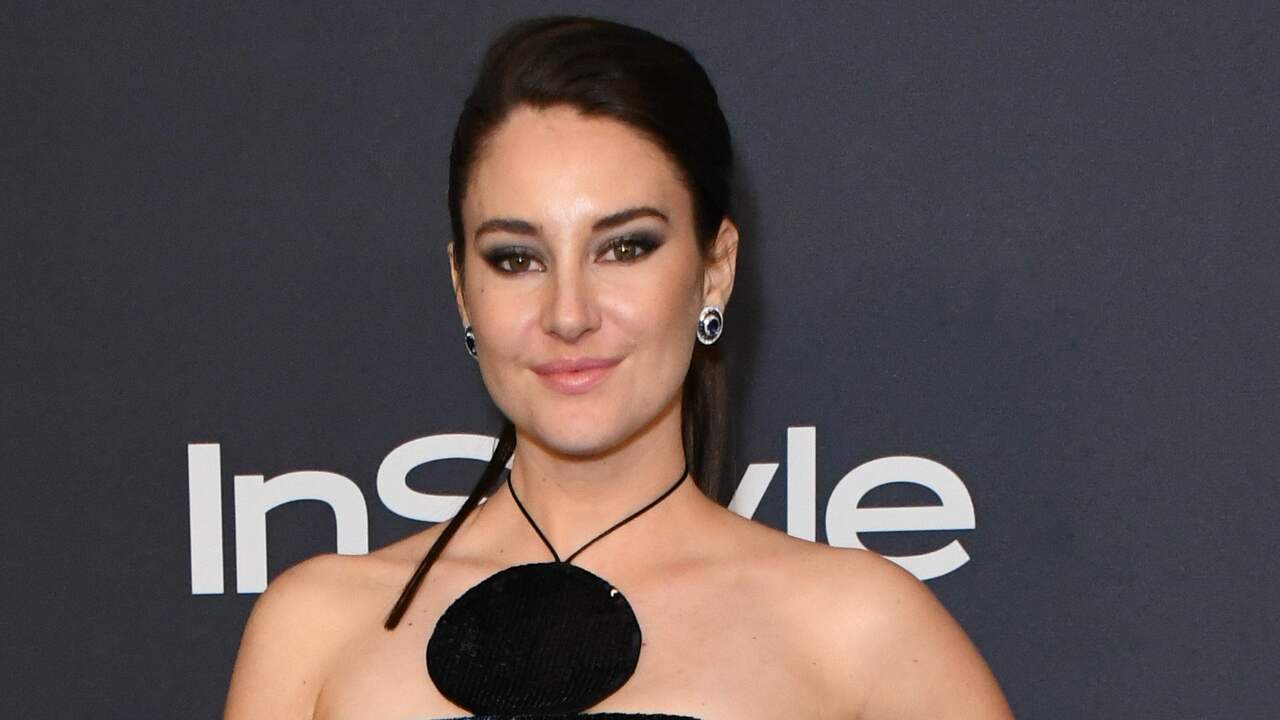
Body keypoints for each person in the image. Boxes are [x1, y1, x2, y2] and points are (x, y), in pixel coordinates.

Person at [223, 15, 1013, 720]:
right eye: (517, 258)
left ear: (715, 270)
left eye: (625, 247)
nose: (569, 313)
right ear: (462, 288)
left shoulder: (859, 632)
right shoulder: (316, 630)